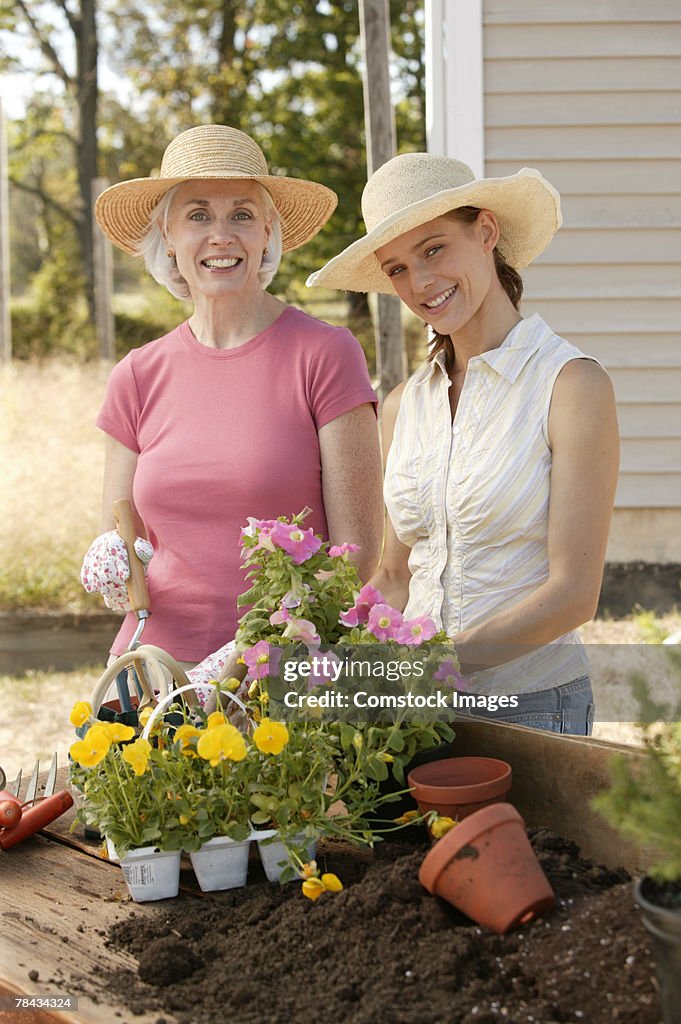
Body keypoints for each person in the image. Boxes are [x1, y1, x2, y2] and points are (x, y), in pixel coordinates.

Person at [307, 153, 620, 735]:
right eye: (397, 268)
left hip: (530, 705)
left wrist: (434, 668)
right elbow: (396, 576)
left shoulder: (570, 385)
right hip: (416, 713)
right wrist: (317, 643)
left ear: (485, 233)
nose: (420, 283)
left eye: (433, 249)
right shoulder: (405, 405)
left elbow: (574, 594)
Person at [81, 124, 383, 693]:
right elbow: (123, 542)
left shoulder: (324, 355)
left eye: (242, 215)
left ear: (268, 232)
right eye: (198, 215)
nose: (221, 236)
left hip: (284, 682)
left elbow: (355, 563)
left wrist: (253, 658)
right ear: (167, 236)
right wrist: (113, 568)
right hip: (150, 680)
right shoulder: (138, 374)